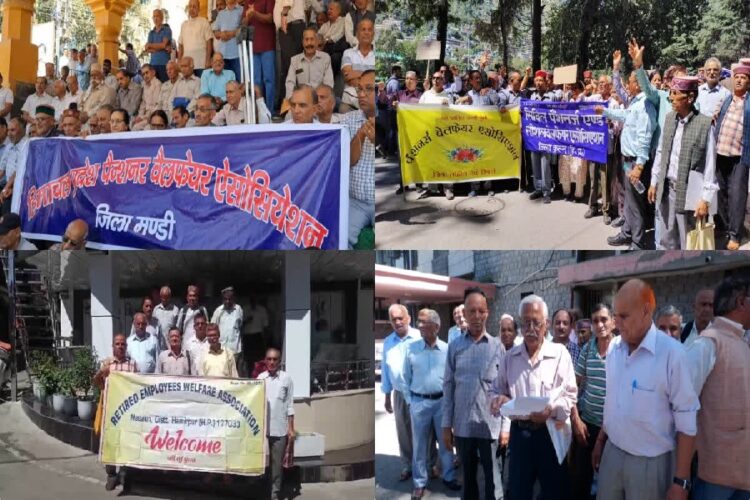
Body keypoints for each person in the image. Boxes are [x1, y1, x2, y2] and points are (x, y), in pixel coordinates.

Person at [593, 279, 699, 500]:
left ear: (646, 311)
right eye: (616, 315)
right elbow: (614, 402)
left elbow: (687, 420)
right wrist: (601, 441)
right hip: (613, 453)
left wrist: (681, 481)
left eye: (624, 316)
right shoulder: (614, 348)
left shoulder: (672, 354)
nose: (616, 323)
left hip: (651, 464)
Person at [491, 295, 576, 500]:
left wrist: (552, 410)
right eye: (525, 322)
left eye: (536, 323)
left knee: (554, 492)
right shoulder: (509, 358)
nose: (530, 328)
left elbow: (570, 395)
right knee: (519, 492)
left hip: (550, 434)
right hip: (520, 435)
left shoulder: (560, 354)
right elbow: (496, 390)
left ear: (545, 324)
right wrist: (498, 400)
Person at [686, 276, 750, 499]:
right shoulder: (708, 343)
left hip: (743, 475)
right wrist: (681, 475)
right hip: (713, 478)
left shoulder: (742, 343)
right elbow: (684, 408)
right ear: (741, 302)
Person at [443, 288, 505, 500]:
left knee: (493, 480)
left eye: (481, 310)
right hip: (463, 426)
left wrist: (506, 428)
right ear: (465, 314)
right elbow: (448, 386)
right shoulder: (454, 347)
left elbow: (506, 390)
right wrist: (445, 425)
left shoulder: (498, 347)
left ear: (487, 312)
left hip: (491, 426)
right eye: (472, 311)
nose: (477, 316)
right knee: (468, 481)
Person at [648, 76, 717, 249]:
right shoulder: (670, 118)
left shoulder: (705, 125)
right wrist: (654, 181)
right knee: (666, 242)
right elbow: (661, 151)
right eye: (670, 92)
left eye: (675, 93)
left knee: (689, 243)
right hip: (666, 191)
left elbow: (710, 165)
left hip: (690, 196)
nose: (670, 97)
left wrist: (705, 199)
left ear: (690, 98)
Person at [598, 68, 657, 250]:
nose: (627, 84)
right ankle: (627, 232)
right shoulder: (635, 103)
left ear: (637, 84)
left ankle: (637, 242)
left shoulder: (645, 104)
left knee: (636, 204)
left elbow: (645, 137)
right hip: (627, 161)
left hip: (636, 163)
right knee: (630, 201)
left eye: (629, 81)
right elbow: (624, 115)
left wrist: (639, 166)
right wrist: (605, 112)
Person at [403, 309, 459, 499]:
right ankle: (419, 483)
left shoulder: (446, 349)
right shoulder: (411, 348)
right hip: (419, 402)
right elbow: (405, 377)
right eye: (418, 321)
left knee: (446, 442)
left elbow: (452, 379)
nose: (419, 325)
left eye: (423, 322)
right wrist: (411, 402)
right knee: (419, 445)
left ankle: (449, 476)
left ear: (436, 326)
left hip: (442, 402)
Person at [570, 303, 616, 499]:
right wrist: (576, 419)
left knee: (609, 483)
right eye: (595, 321)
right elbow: (573, 386)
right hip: (587, 425)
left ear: (613, 322)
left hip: (613, 430)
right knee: (581, 479)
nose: (600, 325)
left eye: (604, 319)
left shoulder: (621, 349)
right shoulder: (588, 349)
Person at [93, 333, 138, 492]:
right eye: (117, 344)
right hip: (110, 411)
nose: (120, 346)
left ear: (126, 347)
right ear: (113, 346)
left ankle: (125, 474)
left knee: (125, 442)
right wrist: (101, 373)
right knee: (110, 444)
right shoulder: (107, 364)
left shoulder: (133, 365)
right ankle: (111, 475)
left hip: (126, 411)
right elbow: (97, 383)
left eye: (123, 344)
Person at [714, 61, 750, 250]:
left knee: (737, 196)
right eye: (737, 77)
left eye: (743, 78)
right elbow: (717, 116)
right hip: (721, 154)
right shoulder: (727, 99)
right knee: (720, 194)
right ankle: (725, 229)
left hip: (739, 157)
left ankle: (735, 235)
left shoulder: (749, 102)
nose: (739, 81)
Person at [382, 304, 420, 481]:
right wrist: (387, 396)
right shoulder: (388, 342)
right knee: (403, 431)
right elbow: (386, 370)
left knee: (422, 431)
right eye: (393, 319)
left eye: (400, 318)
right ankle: (407, 465)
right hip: (399, 393)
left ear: (408, 318)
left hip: (418, 392)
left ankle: (426, 465)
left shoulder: (419, 337)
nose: (397, 322)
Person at [341, 69, 375, 248]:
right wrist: (361, 133)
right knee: (340, 240)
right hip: (355, 202)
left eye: (368, 89)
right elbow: (347, 161)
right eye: (359, 89)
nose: (361, 94)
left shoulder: (392, 118)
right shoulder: (346, 120)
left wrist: (380, 141)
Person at [257, 347, 295, 500]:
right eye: (269, 359)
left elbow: (290, 405)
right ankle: (262, 491)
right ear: (265, 360)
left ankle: (275, 493)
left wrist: (291, 429)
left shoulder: (286, 379)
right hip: (262, 429)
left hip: (279, 429)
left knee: (277, 464)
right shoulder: (260, 378)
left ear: (279, 362)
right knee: (262, 462)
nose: (271, 362)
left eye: (275, 359)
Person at [528, 70, 560, 204]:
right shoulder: (532, 97)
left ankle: (547, 191)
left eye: (541, 80)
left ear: (545, 82)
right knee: (535, 162)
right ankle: (538, 189)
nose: (539, 83)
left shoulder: (552, 97)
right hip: (534, 135)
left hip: (547, 135)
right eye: (537, 81)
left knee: (545, 163)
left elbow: (559, 113)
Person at [244, 0, 277, 114]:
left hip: (267, 45)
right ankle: (258, 112)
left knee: (269, 80)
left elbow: (270, 18)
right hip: (252, 46)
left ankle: (270, 111)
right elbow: (243, 23)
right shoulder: (247, 1)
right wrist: (248, 17)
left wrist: (255, 13)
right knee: (256, 81)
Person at [285, 27, 334, 101]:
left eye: (312, 39)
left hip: (319, 100)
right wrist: (291, 99)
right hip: (301, 99)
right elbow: (290, 83)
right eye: (306, 39)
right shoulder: (295, 60)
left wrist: (319, 99)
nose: (309, 43)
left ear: (317, 42)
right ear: (302, 42)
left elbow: (328, 83)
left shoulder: (325, 58)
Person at [211, 286, 244, 372]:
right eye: (225, 299)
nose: (228, 301)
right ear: (222, 299)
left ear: (233, 299)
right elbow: (212, 328)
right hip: (222, 350)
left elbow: (240, 327)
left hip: (235, 350)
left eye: (230, 299)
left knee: (235, 374)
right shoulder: (218, 311)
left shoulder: (238, 309)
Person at [179, 0, 214, 76]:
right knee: (187, 87)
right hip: (187, 65)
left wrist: (208, 60)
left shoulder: (204, 21)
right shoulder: (184, 25)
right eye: (190, 6)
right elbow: (180, 44)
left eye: (194, 6)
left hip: (201, 63)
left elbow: (209, 42)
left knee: (201, 87)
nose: (192, 8)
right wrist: (179, 62)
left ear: (199, 9)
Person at [212, 0, 243, 79]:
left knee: (239, 82)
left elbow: (244, 28)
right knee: (225, 84)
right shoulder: (221, 13)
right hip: (223, 55)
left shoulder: (242, 10)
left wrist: (230, 34)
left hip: (237, 54)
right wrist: (221, 34)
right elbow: (215, 32)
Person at [145, 9, 172, 82]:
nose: (155, 18)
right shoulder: (151, 33)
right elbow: (147, 49)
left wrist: (150, 45)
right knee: (154, 87)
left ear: (162, 18)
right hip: (153, 65)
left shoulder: (167, 30)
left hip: (164, 64)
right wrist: (161, 47)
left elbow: (163, 45)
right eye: (154, 16)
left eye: (157, 16)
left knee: (165, 87)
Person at [132, 64, 162, 130]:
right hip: (145, 115)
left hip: (154, 115)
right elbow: (143, 104)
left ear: (153, 72)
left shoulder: (157, 84)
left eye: (147, 73)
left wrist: (143, 117)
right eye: (143, 74)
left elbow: (157, 106)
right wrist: (139, 116)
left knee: (136, 128)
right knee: (132, 123)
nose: (145, 76)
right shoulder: (145, 85)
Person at [185, 312, 210, 376]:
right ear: (194, 327)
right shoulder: (189, 343)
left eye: (202, 323)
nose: (200, 326)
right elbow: (187, 364)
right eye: (197, 324)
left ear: (206, 325)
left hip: (210, 379)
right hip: (194, 380)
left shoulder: (210, 342)